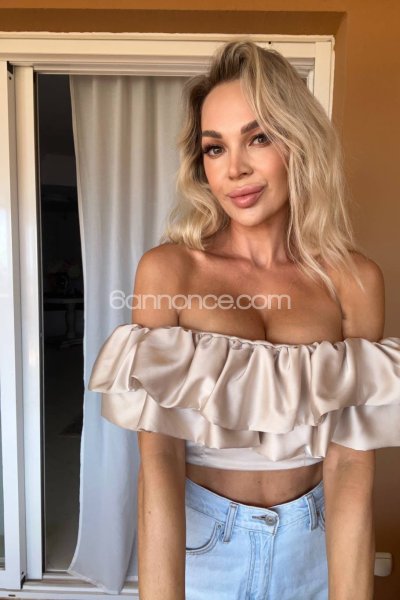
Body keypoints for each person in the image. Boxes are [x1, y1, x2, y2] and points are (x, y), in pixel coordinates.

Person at [88, 40, 400, 600]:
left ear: (298, 142)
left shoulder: (355, 281)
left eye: (259, 138)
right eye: (215, 148)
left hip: (315, 545)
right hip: (205, 546)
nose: (235, 169)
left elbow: (351, 468)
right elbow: (159, 460)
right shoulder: (170, 271)